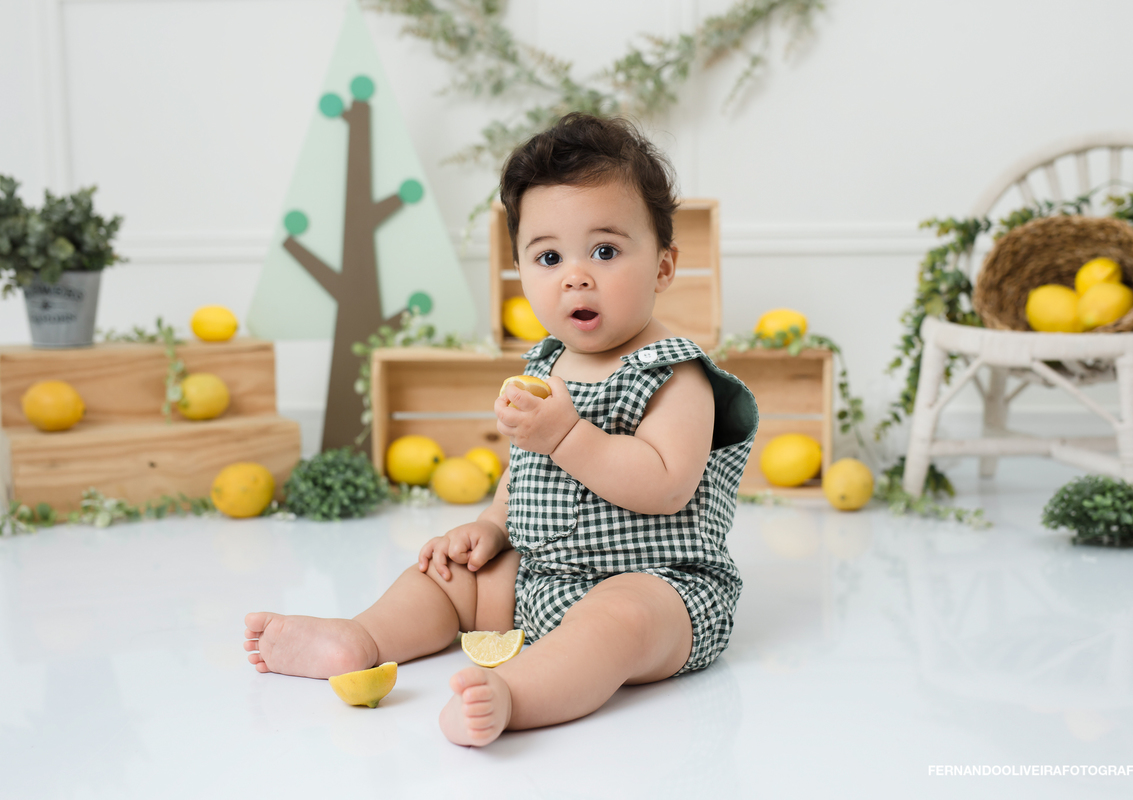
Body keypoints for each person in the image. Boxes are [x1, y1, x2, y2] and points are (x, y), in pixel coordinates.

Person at [243, 112, 758, 747]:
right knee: (450, 576)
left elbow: (666, 485)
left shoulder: (675, 374)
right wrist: (489, 528)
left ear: (663, 265)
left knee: (619, 620)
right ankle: (364, 638)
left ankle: (518, 694)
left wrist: (568, 434)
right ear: (521, 270)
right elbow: (525, 472)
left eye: (605, 250)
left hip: (663, 589)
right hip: (539, 578)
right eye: (548, 256)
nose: (576, 275)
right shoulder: (545, 365)